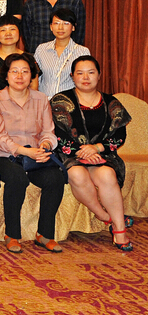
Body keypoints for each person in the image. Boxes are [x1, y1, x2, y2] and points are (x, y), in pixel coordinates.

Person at [0, 53, 65, 253]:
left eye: (25, 72)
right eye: (14, 71)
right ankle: (11, 234)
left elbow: (48, 131)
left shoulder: (41, 99)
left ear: (32, 76)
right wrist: (24, 152)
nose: (19, 76)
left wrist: (45, 145)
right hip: (3, 154)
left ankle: (44, 235)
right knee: (17, 178)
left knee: (55, 177)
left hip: (34, 154)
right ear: (6, 76)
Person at [51, 55, 133, 252]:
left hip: (102, 154)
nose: (85, 77)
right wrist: (82, 151)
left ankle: (120, 231)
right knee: (77, 174)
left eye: (91, 72)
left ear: (99, 75)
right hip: (70, 154)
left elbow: (120, 135)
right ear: (72, 76)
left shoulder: (111, 102)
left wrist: (97, 148)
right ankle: (106, 217)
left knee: (107, 174)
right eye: (80, 73)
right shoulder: (60, 101)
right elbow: (57, 134)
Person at [34, 8, 90, 98]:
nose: (60, 28)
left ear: (73, 27)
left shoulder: (82, 52)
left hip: (69, 102)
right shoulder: (41, 49)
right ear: (51, 27)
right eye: (56, 23)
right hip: (44, 101)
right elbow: (35, 78)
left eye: (66, 23)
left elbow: (84, 80)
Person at [0, 15, 34, 93]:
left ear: (19, 32)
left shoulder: (28, 58)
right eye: (3, 30)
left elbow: (33, 87)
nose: (8, 33)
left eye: (12, 29)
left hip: (25, 100)